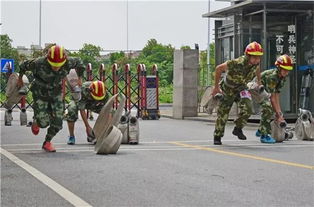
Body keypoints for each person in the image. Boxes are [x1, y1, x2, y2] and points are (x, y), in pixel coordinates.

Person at [18, 45, 85, 152]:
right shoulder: (38, 63)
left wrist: (80, 78)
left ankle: (47, 142)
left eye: (59, 65)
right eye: (53, 65)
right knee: (43, 123)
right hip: (40, 92)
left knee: (58, 121)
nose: (56, 68)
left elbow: (80, 63)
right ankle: (37, 121)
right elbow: (22, 66)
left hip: (56, 92)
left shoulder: (69, 62)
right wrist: (20, 79)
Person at [212, 41, 263, 145]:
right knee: (223, 114)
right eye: (254, 57)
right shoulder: (236, 63)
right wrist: (216, 88)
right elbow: (218, 68)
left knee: (249, 109)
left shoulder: (255, 64)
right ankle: (217, 136)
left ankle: (238, 128)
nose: (257, 59)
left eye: (259, 57)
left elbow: (257, 70)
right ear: (248, 56)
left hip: (241, 88)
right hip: (228, 89)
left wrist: (259, 81)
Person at [255, 54, 294, 143]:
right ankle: (264, 135)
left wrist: (279, 113)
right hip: (255, 90)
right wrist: (278, 115)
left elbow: (276, 95)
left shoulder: (282, 78)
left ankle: (261, 130)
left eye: (288, 70)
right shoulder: (272, 77)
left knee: (274, 110)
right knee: (268, 107)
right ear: (279, 68)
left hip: (264, 92)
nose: (286, 72)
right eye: (284, 69)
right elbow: (272, 98)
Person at [65, 80, 108, 145]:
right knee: (72, 109)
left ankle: (100, 134)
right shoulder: (83, 89)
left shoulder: (103, 92)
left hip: (93, 103)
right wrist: (87, 127)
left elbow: (107, 108)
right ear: (90, 90)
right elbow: (82, 109)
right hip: (78, 101)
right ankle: (71, 136)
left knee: (111, 112)